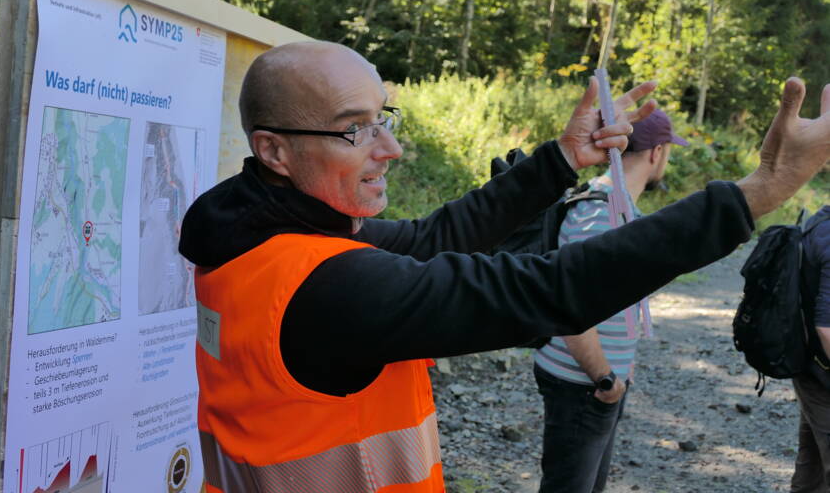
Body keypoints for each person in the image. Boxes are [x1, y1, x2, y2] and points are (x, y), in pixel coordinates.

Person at [178, 40, 830, 493]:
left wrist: (558, 160)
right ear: (274, 151)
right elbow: (551, 289)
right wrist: (759, 192)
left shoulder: (250, 236)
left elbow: (435, 236)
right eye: (357, 129)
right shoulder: (332, 288)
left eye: (385, 119)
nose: (393, 148)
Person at [532, 109, 688, 493]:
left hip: (593, 380)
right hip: (584, 380)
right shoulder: (602, 213)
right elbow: (571, 305)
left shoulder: (615, 206)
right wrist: (606, 378)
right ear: (657, 152)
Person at [792, 204, 830, 492]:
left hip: (808, 364)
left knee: (812, 466)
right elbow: (826, 327)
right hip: (823, 371)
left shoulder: (820, 219)